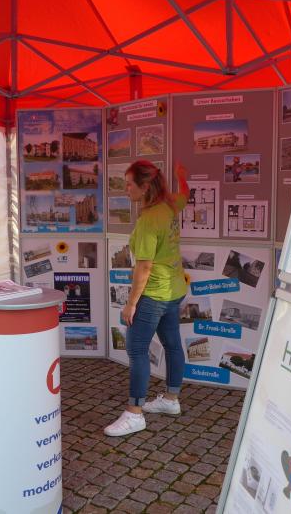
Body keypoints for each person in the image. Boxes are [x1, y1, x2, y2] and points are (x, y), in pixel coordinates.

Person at [104, 160, 190, 437]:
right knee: (172, 345)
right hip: (174, 291)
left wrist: (131, 304)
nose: (126, 189)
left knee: (137, 349)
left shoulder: (149, 219)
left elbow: (144, 267)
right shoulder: (170, 206)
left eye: (129, 184)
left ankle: (135, 413)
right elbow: (185, 195)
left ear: (145, 186)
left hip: (153, 294)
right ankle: (171, 399)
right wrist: (181, 176)